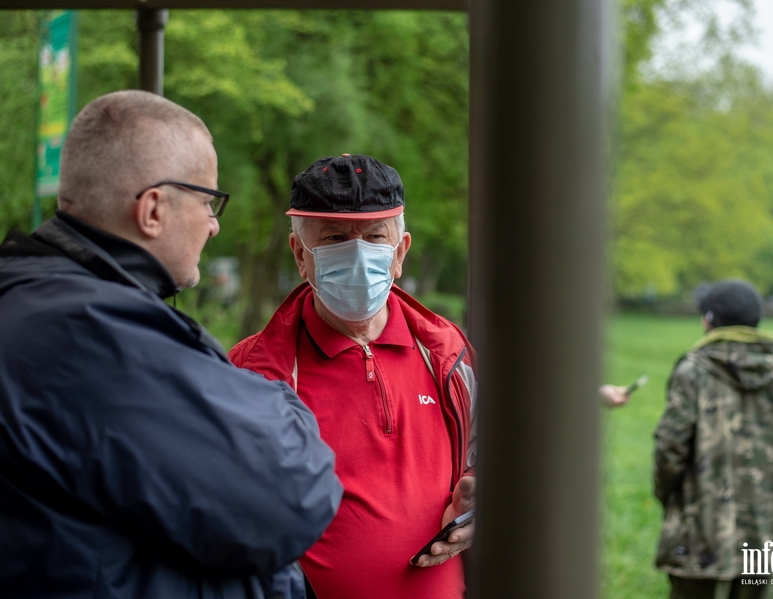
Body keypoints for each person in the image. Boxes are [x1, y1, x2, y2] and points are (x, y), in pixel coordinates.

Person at [0, 90, 342, 598]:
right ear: (154, 209)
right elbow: (289, 495)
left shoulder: (34, 300)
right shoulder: (95, 337)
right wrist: (281, 401)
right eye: (207, 201)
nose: (214, 224)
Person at [229, 154, 477, 599]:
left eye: (375, 238)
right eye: (336, 239)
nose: (359, 256)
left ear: (400, 253)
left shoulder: (449, 353)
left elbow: (486, 455)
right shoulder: (251, 372)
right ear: (300, 255)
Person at [653, 279, 773, 599]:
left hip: (700, 532)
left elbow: (669, 452)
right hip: (766, 532)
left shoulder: (692, 372)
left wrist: (669, 497)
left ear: (708, 321)